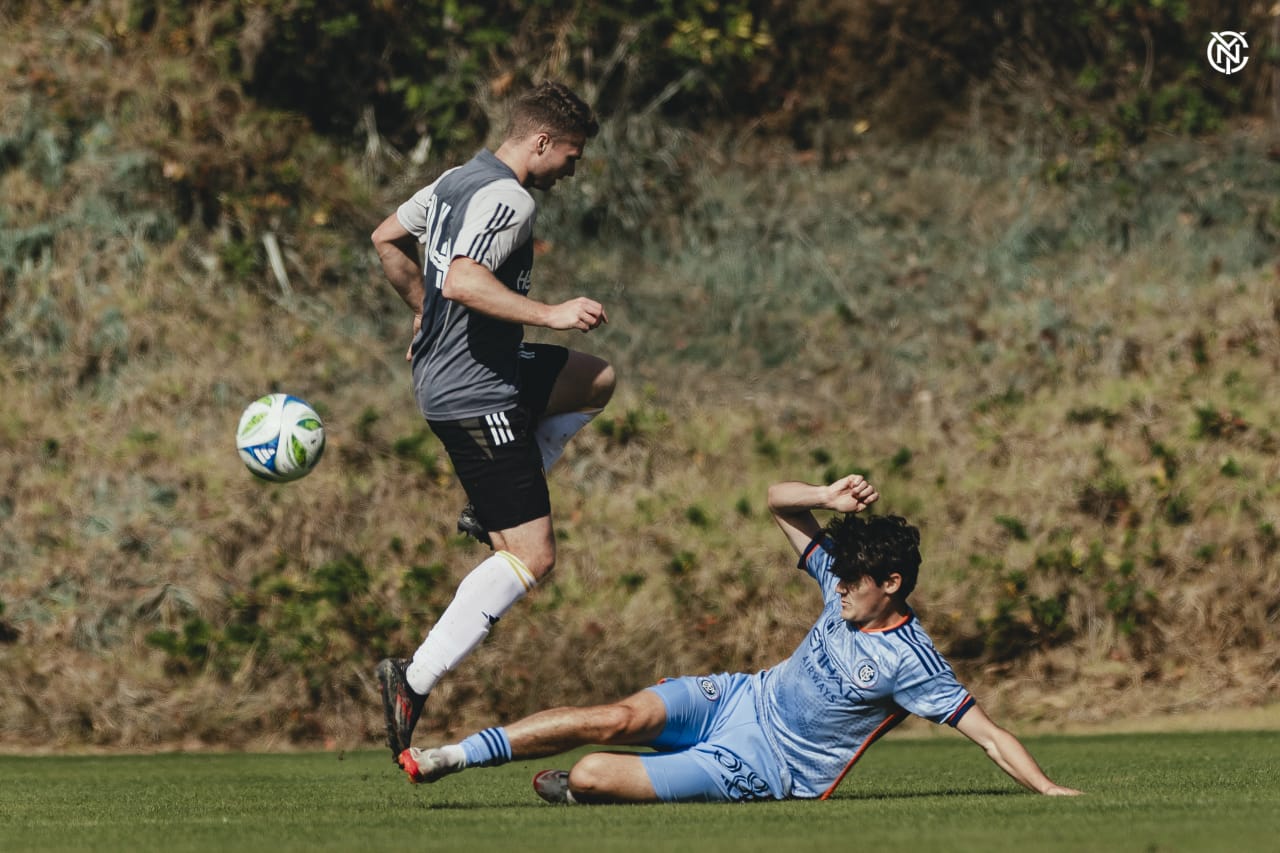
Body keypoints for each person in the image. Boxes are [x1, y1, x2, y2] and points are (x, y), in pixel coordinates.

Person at [395, 474, 1083, 803]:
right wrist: (828, 496)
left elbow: (989, 732)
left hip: (768, 765)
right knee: (617, 716)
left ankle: (583, 791)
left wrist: (1049, 789)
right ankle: (451, 755)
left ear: (893, 583)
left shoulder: (911, 661)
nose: (837, 587)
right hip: (737, 698)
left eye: (854, 581)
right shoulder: (839, 585)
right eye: (836, 576)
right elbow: (774, 499)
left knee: (590, 770)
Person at [370, 81, 615, 766]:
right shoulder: (510, 197)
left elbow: (386, 237)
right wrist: (552, 312)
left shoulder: (457, 179)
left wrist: (419, 311)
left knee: (594, 379)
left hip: (474, 373)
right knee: (532, 555)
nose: (573, 167)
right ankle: (411, 680)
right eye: (571, 153)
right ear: (541, 141)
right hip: (474, 394)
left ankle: (495, 499)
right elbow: (466, 281)